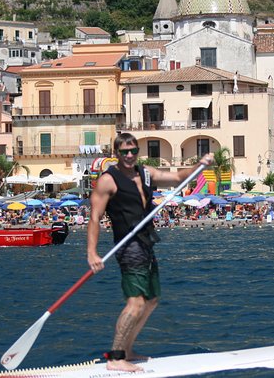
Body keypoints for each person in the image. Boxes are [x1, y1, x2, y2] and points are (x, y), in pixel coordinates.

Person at [87, 133, 214, 372]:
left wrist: (200, 165)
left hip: (146, 242)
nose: (129, 155)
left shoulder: (145, 173)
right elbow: (94, 216)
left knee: (152, 300)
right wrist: (92, 253)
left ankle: (127, 350)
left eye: (133, 151)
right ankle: (115, 357)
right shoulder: (108, 180)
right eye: (124, 151)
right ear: (116, 153)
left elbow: (177, 177)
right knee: (135, 303)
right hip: (127, 245)